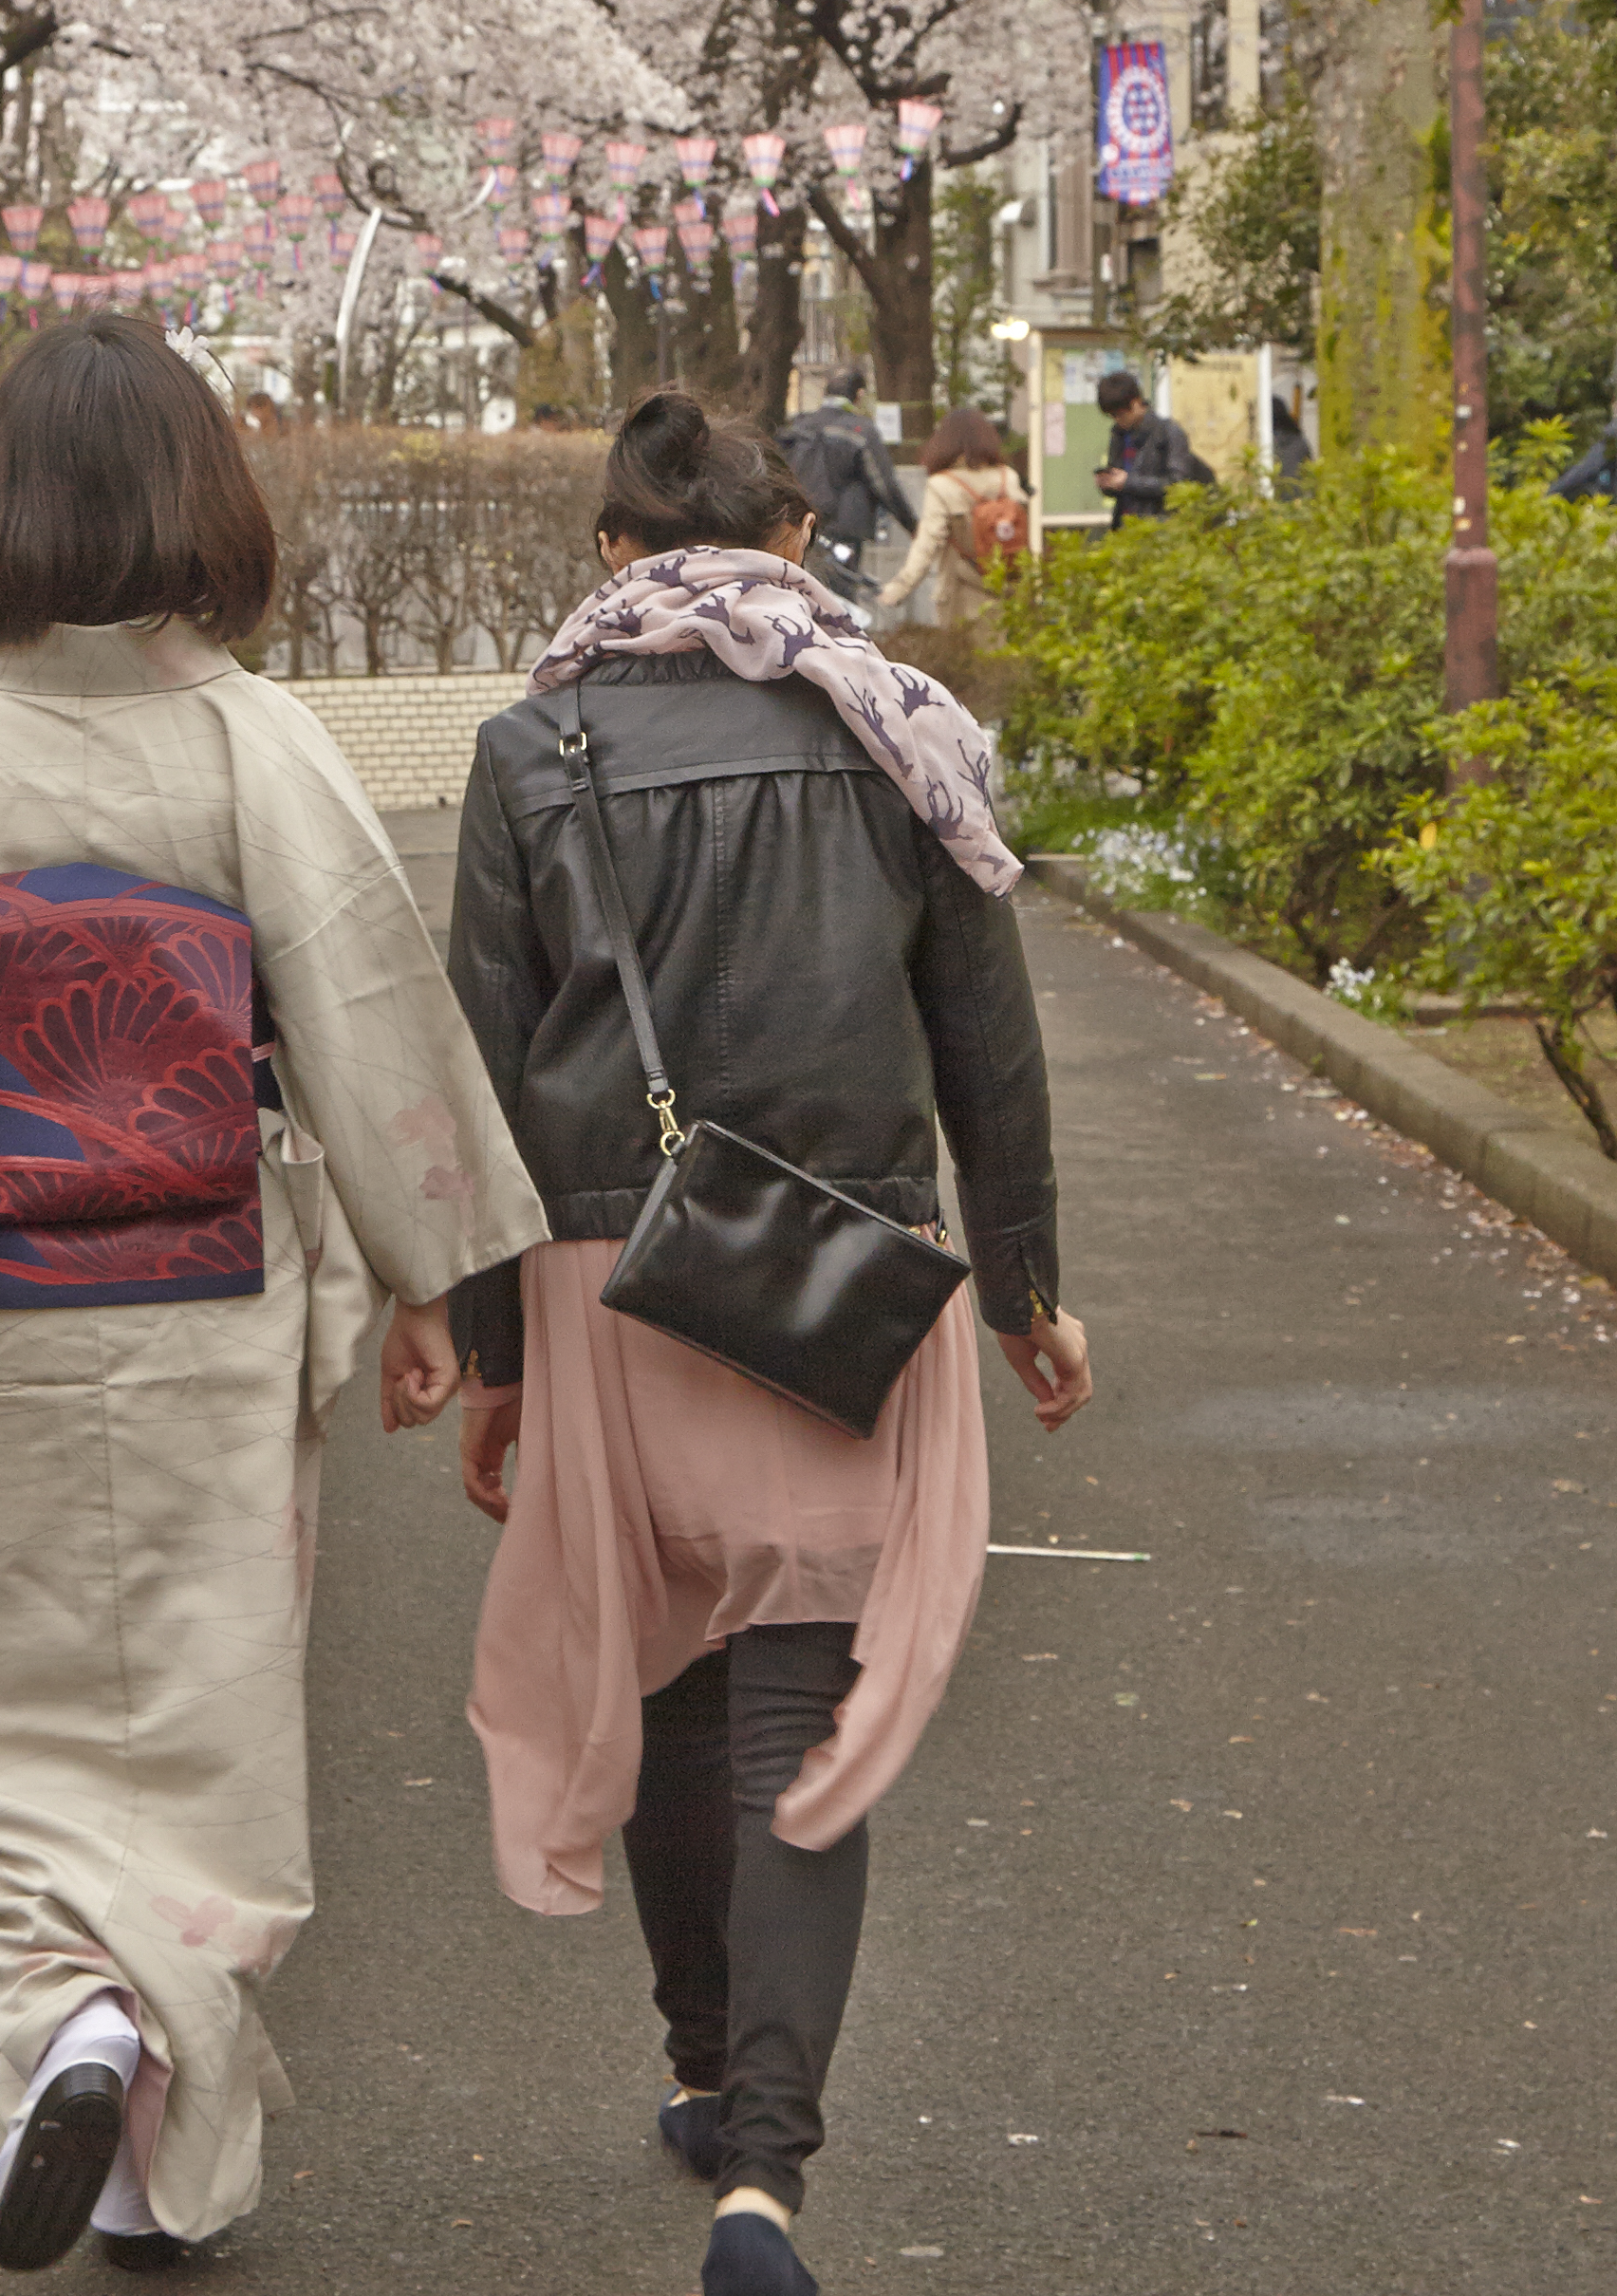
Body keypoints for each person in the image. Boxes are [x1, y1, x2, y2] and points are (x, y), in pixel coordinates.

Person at [0, 314, 548, 2272]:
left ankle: (64, 2037)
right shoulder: (248, 739)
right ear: (204, 501)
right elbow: (366, 1012)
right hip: (202, 1282)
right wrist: (435, 1281)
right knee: (200, 1691)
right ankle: (143, 2103)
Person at [443, 393, 1090, 2296]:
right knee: (798, 1704)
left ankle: (706, 2066)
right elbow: (985, 1031)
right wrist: (1032, 1285)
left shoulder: (530, 740)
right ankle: (764, 2183)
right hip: (847, 1269)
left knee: (658, 1667)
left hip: (605, 1270)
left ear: (610, 559)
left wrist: (492, 1349)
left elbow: (488, 1062)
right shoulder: (898, 729)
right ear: (792, 541)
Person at [865, 407, 1029, 635]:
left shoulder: (942, 485)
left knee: (966, 662)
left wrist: (898, 589)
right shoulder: (1007, 478)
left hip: (963, 593)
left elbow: (927, 544)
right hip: (1009, 591)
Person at [774, 370, 901, 604]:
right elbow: (884, 484)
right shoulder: (860, 429)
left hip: (801, 521)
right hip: (846, 527)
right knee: (841, 594)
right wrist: (912, 524)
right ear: (859, 394)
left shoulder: (799, 426)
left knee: (804, 588)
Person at [1088, 368, 1209, 526]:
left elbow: (1177, 484)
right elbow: (1119, 481)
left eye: (1121, 414)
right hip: (1125, 523)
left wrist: (1128, 482)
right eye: (1113, 416)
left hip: (1160, 524)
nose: (1118, 420)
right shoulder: (1118, 435)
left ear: (1136, 403)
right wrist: (1108, 483)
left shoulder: (1168, 432)